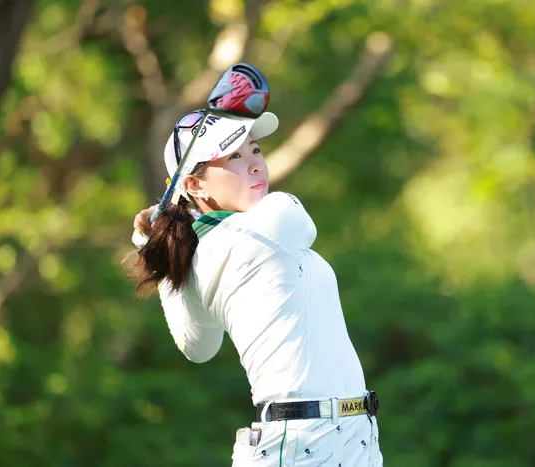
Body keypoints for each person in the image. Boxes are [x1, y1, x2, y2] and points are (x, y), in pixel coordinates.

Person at [127, 108, 383, 467]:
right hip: (301, 442)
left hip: (350, 436)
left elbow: (197, 348)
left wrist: (152, 246)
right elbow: (301, 223)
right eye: (234, 156)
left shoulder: (194, 263)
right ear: (195, 185)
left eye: (255, 150)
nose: (255, 165)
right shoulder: (275, 218)